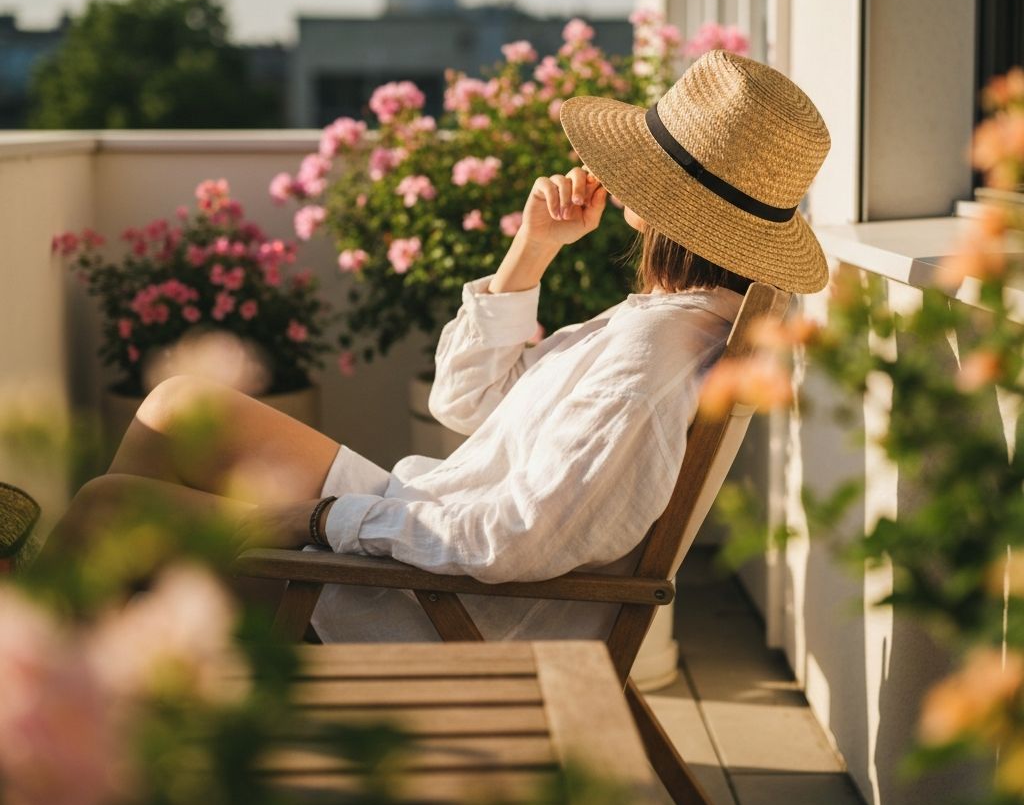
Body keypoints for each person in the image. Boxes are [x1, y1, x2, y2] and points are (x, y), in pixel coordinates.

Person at [41, 49, 831, 643]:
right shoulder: (669, 320)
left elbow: (515, 537)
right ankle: (106, 679)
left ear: (672, 202)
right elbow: (467, 403)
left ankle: (52, 707)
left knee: (108, 511)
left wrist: (320, 524)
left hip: (446, 610)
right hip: (430, 539)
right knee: (181, 406)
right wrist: (530, 252)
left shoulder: (651, 354)